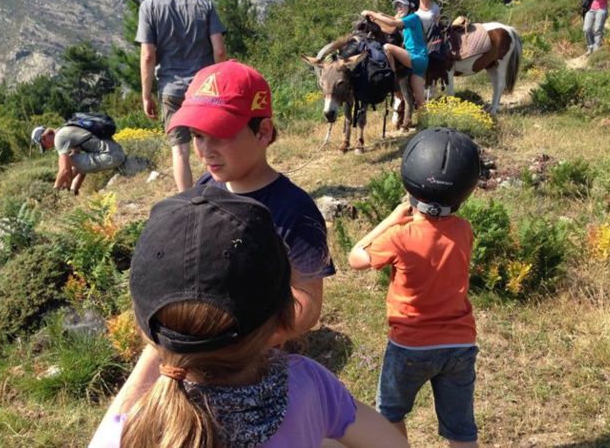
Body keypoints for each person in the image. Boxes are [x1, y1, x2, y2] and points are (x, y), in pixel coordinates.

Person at [92, 60, 337, 431]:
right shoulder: (205, 191)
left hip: (260, 364)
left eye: (220, 134)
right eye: (197, 135)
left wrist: (234, 346)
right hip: (200, 360)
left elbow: (306, 305)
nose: (205, 149)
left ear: (264, 132)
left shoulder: (295, 212)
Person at [89, 185, 409, 448]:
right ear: (284, 315)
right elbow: (394, 445)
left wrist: (162, 343)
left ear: (143, 327)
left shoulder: (128, 434)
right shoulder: (306, 384)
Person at [348, 128, 482, 448]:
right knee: (461, 430)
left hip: (410, 346)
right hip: (460, 345)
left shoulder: (400, 236)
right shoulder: (465, 230)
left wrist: (392, 219)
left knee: (390, 413)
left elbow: (356, 257)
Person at [136, 0, 227, 192]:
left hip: (171, 89)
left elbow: (148, 56)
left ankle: (187, 201)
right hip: (204, 87)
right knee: (218, 142)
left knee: (180, 151)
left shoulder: (149, 7)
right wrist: (220, 81)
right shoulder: (204, 4)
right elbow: (220, 50)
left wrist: (146, 95)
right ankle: (228, 192)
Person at [361, 0, 428, 112]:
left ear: (412, 6)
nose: (398, 8)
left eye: (401, 5)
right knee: (419, 98)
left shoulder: (413, 17)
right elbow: (392, 19)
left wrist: (371, 13)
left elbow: (392, 23)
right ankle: (426, 122)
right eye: (396, 5)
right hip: (421, 62)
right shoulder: (411, 19)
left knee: (387, 47)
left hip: (416, 57)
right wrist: (379, 15)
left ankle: (392, 77)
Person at [31, 123, 126, 194]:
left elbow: (65, 170)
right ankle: (73, 190)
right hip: (118, 154)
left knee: (66, 160)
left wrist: (55, 189)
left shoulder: (59, 138)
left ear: (44, 138)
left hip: (111, 158)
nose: (48, 148)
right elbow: (81, 168)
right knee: (71, 159)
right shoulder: (67, 129)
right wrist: (72, 189)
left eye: (44, 146)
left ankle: (67, 189)